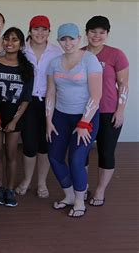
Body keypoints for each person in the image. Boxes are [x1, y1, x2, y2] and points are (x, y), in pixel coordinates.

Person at [46, 23, 102, 218]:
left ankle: (80, 202)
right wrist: (48, 120)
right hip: (61, 116)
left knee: (77, 160)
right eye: (63, 38)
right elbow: (51, 93)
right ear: (59, 40)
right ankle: (69, 195)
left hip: (86, 117)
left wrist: (84, 123)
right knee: (54, 156)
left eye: (71, 38)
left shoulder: (90, 60)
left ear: (79, 39)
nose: (67, 42)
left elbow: (96, 95)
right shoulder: (54, 63)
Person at [0, 27, 34, 207]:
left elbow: (26, 98)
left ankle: (10, 189)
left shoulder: (26, 68)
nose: (9, 43)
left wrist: (14, 121)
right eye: (6, 39)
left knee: (11, 153)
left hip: (16, 117)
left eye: (14, 40)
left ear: (21, 44)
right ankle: (0, 187)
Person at [84, 16, 128, 207]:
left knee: (106, 152)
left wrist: (120, 110)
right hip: (85, 112)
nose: (97, 36)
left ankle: (100, 190)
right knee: (81, 152)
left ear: (107, 34)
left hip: (109, 111)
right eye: (93, 31)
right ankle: (83, 186)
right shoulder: (79, 54)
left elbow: (123, 84)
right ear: (86, 33)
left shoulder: (116, 55)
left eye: (102, 32)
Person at [16, 16, 63, 198]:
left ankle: (41, 182)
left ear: (49, 32)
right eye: (36, 29)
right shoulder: (21, 50)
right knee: (29, 144)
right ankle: (27, 179)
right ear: (30, 31)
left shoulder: (56, 51)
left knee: (45, 144)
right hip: (27, 102)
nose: (40, 33)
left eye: (44, 30)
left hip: (49, 102)